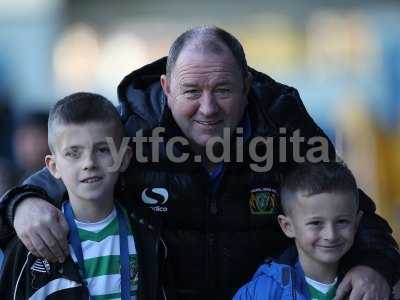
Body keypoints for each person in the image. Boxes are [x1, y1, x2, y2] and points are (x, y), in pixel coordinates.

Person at [0, 26, 399, 300]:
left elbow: (355, 211)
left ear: (246, 86)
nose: (207, 108)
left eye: (223, 90)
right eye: (191, 90)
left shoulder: (285, 130)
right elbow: (59, 177)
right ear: (166, 88)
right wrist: (24, 204)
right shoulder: (131, 131)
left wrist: (374, 266)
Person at [0, 92, 163, 299]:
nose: (89, 163)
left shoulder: (149, 235)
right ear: (53, 166)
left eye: (103, 150)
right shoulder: (32, 243)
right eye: (73, 153)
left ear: (123, 158)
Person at [234, 162, 365, 300]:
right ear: (287, 226)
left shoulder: (370, 288)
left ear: (356, 223)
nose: (330, 235)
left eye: (342, 221)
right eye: (316, 223)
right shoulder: (259, 293)